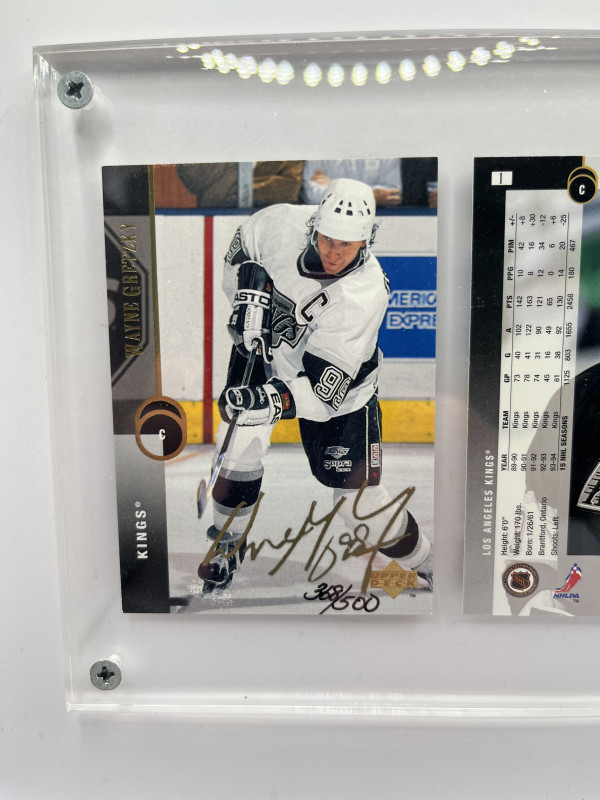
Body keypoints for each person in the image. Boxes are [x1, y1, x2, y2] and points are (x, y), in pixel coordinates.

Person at [198, 178, 433, 593]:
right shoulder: (280, 223)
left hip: (339, 396)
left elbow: (323, 397)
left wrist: (267, 400)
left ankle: (429, 561)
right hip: (267, 353)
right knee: (238, 446)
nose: (333, 253)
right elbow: (242, 251)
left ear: (367, 241)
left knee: (359, 509)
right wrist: (245, 294)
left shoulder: (362, 296)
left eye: (346, 245)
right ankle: (227, 541)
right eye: (327, 239)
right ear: (313, 226)